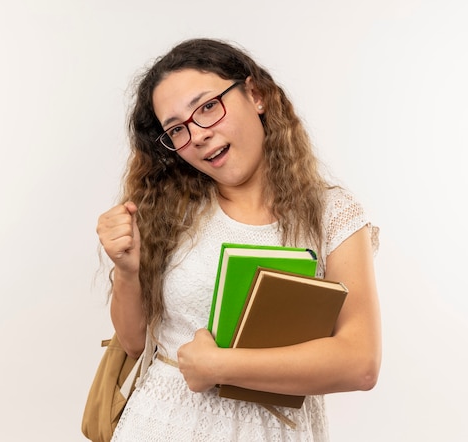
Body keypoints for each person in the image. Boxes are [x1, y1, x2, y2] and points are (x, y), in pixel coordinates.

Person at [96, 38, 381, 442]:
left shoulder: (331, 214)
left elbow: (360, 361)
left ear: (256, 95)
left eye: (208, 107)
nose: (196, 136)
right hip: (163, 423)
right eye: (176, 129)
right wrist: (126, 270)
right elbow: (133, 341)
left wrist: (222, 367)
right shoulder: (168, 211)